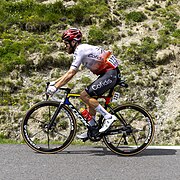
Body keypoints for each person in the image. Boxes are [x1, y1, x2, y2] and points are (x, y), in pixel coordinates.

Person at [47, 28, 120, 139]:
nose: (65, 46)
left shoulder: (80, 50)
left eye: (66, 43)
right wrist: (55, 82)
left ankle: (108, 117)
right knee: (89, 99)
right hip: (108, 73)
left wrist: (55, 87)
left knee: (84, 95)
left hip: (110, 73)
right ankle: (93, 128)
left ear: (73, 42)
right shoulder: (82, 49)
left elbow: (71, 73)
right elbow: (69, 72)